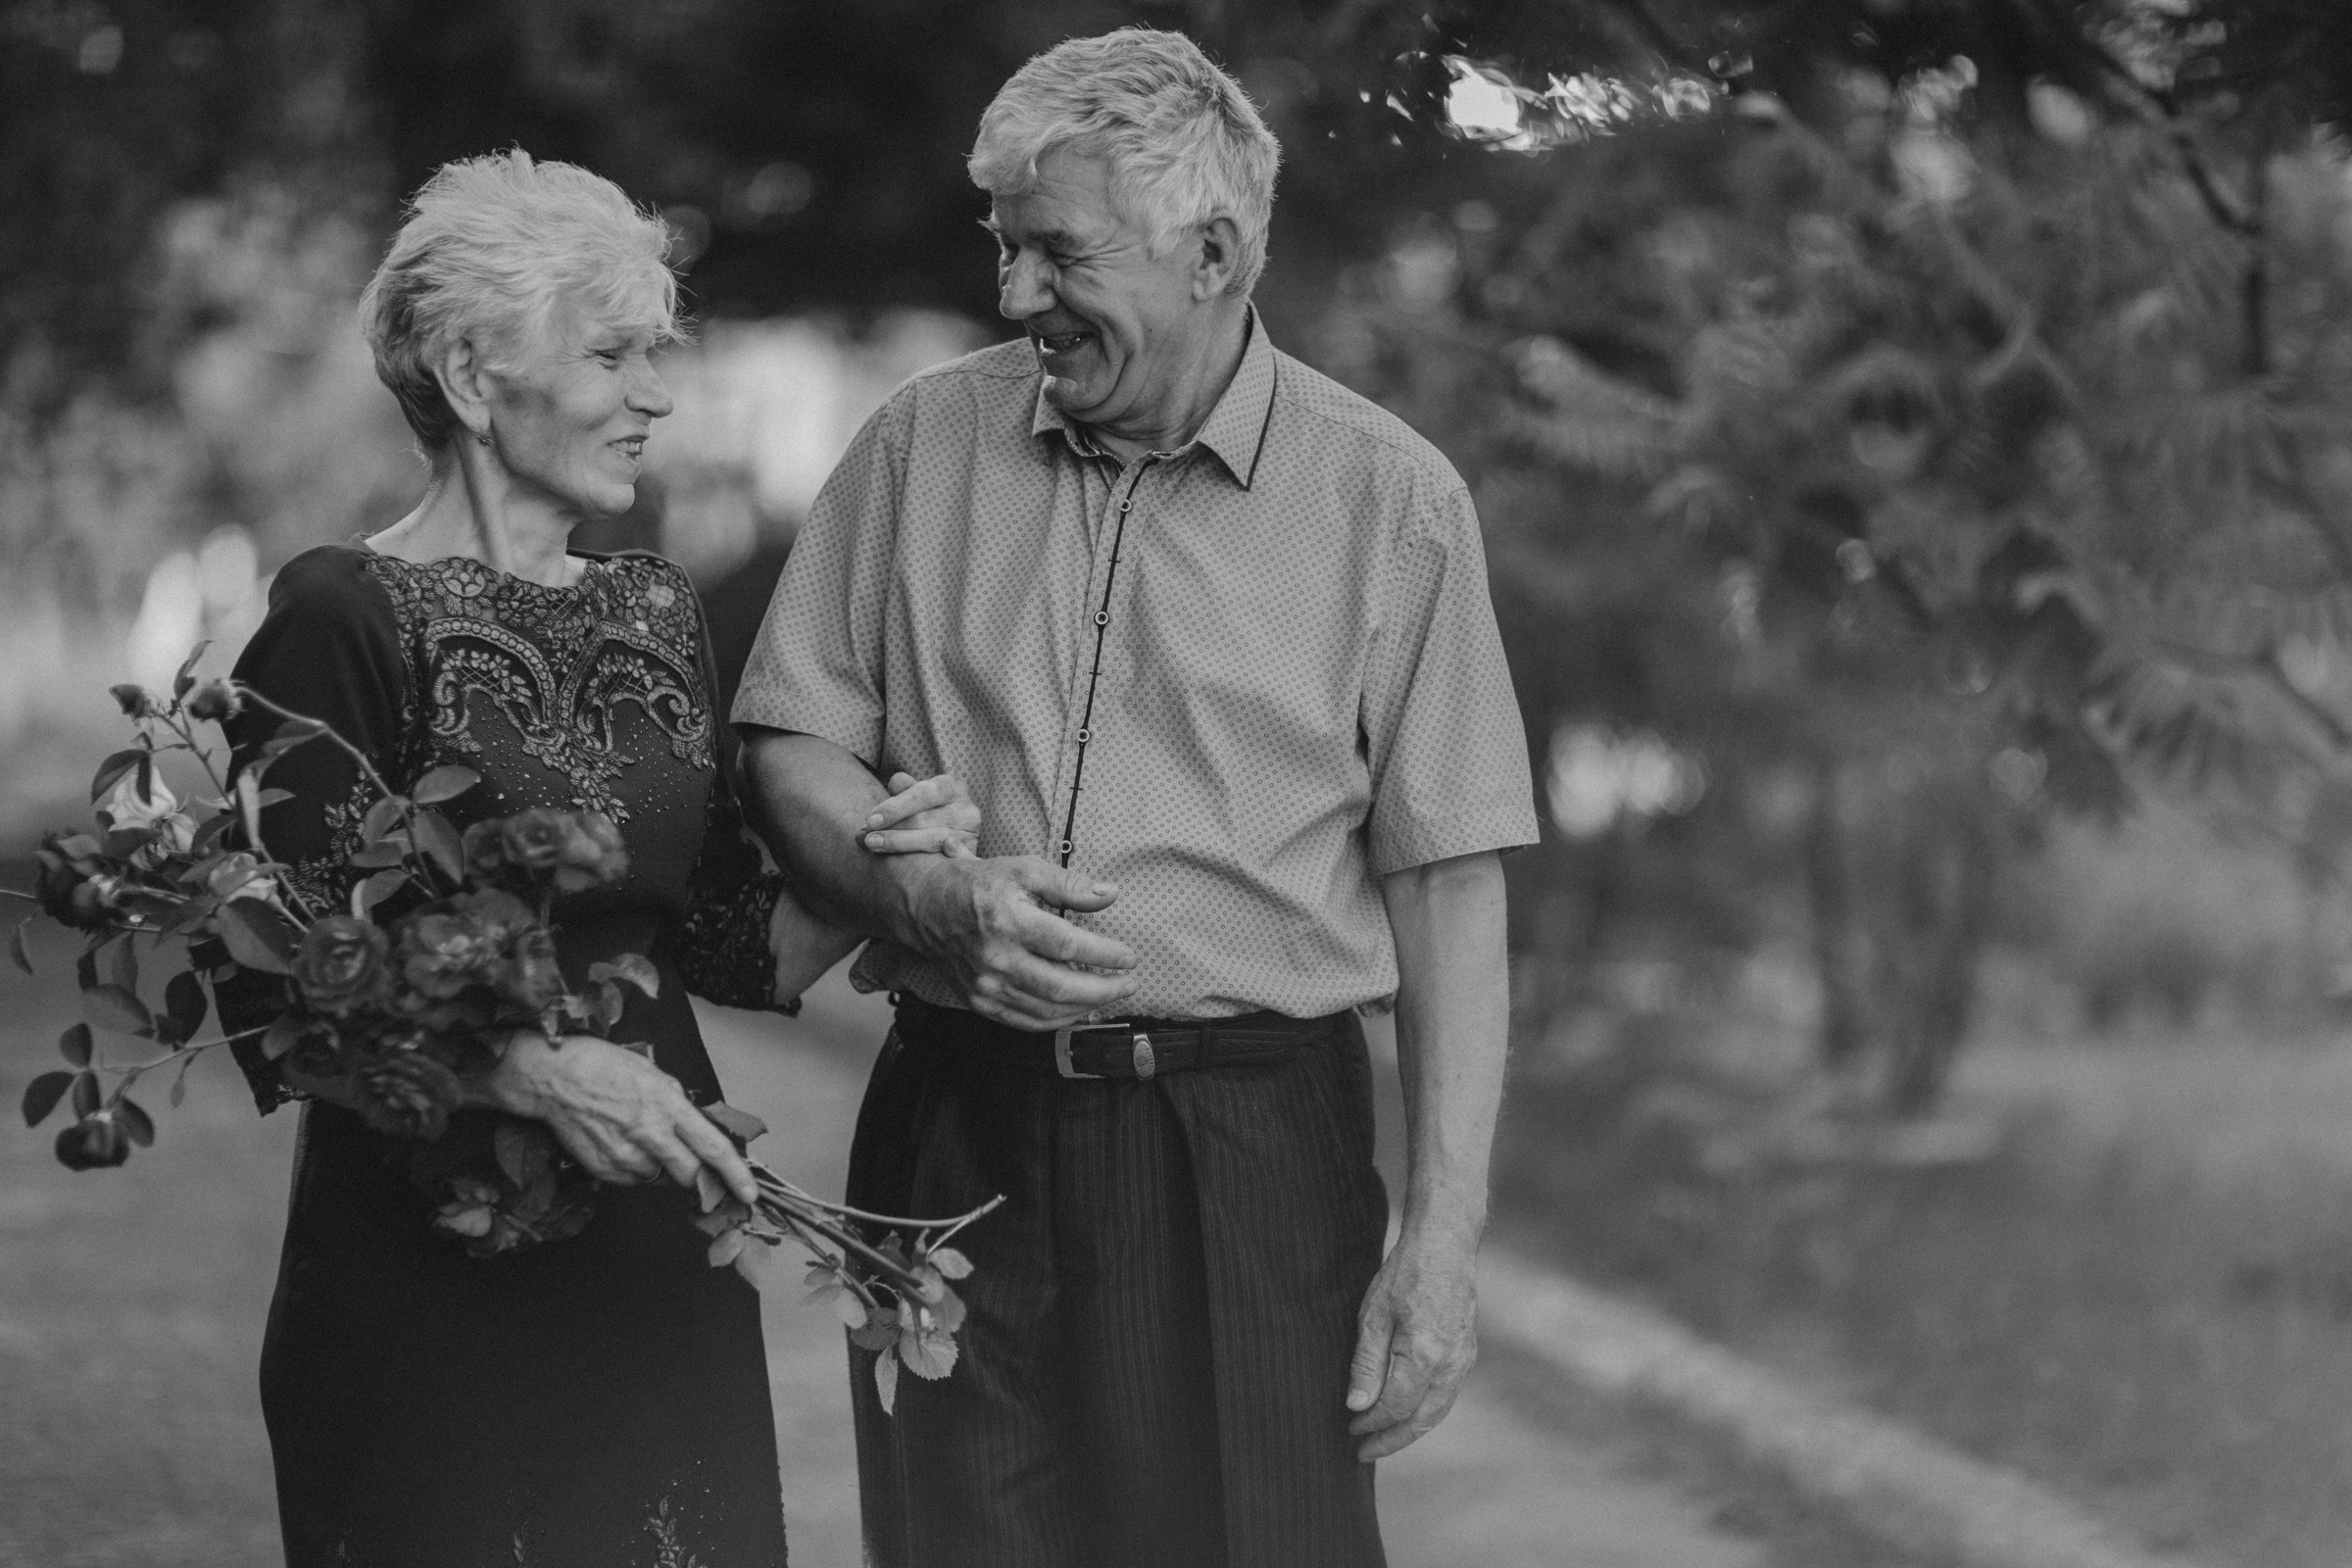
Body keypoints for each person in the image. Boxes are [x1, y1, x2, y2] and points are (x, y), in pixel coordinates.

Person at [732, 27, 1539, 1568]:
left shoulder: (1393, 504)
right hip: (954, 1130)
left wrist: (1439, 1250)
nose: (1016, 295)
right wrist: (916, 894)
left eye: (1058, 254)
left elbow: (1450, 884)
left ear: (1215, 253)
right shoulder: (919, 445)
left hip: (1247, 1158)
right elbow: (791, 744)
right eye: (1005, 250)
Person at [220, 149, 973, 1568]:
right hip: (421, 1275)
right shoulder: (341, 614)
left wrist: (884, 853)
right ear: (467, 374)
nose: (657, 394)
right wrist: (530, 1070)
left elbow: (728, 940)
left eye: (658, 352)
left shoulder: (654, 608)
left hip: (655, 1254)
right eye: (614, 353)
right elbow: (268, 976)